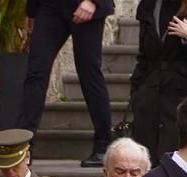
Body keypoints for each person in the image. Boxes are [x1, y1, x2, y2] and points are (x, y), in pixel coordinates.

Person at [17, 0, 114, 167]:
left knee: (89, 72)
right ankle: (22, 146)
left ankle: (104, 145)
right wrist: (32, 12)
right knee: (36, 73)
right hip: (49, 8)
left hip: (86, 5)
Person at [130, 0, 187, 164]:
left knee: (178, 160)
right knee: (145, 161)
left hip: (182, 99)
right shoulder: (148, 6)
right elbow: (143, 56)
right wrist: (136, 93)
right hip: (149, 97)